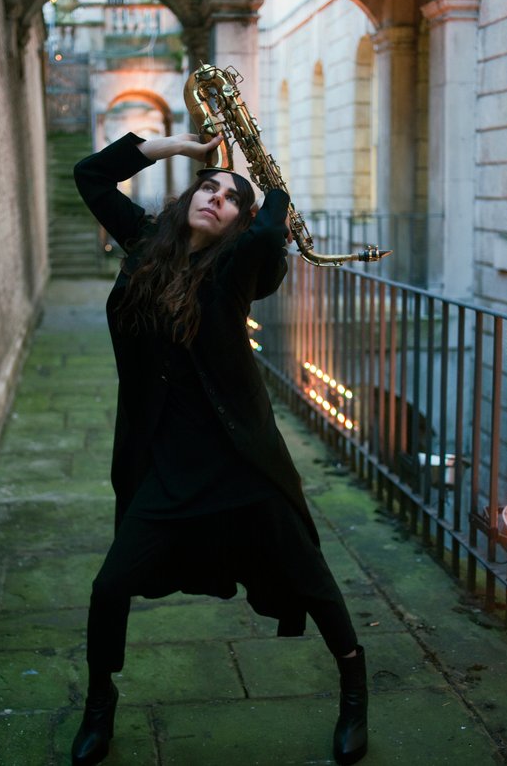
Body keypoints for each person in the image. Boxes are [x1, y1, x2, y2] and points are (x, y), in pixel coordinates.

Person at [70, 131, 368, 766]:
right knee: (109, 586)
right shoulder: (147, 244)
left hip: (239, 464)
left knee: (311, 579)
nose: (216, 198)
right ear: (188, 198)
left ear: (240, 221)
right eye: (209, 187)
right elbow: (91, 175)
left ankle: (354, 690)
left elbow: (267, 238)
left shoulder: (234, 273)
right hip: (166, 468)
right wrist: (176, 146)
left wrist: (269, 183)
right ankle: (100, 703)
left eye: (233, 199)